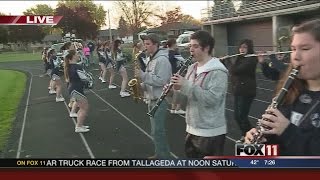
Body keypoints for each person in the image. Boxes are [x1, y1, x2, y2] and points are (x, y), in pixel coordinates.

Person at [244, 19, 320, 155]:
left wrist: (287, 131)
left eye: (305, 48)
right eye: (293, 49)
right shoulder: (290, 89)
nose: (295, 56)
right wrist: (257, 146)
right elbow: (276, 151)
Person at [170, 30, 228, 158]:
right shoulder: (192, 68)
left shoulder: (218, 71)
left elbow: (212, 99)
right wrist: (175, 89)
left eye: (195, 46)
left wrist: (185, 85)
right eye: (190, 46)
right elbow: (188, 96)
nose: (191, 50)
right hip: (191, 128)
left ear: (206, 48)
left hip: (210, 133)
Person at [138, 33, 172, 158]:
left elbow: (162, 81)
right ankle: (159, 154)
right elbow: (150, 79)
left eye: (148, 44)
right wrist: (141, 86)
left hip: (160, 99)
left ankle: (165, 158)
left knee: (159, 131)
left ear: (156, 45)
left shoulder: (162, 60)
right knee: (154, 132)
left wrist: (143, 76)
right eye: (144, 44)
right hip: (151, 99)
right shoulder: (152, 59)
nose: (145, 46)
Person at [229, 39, 258, 140]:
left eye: (245, 47)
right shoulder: (240, 58)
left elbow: (235, 70)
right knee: (237, 116)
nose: (242, 49)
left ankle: (252, 135)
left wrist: (228, 61)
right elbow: (232, 72)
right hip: (238, 90)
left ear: (249, 48)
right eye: (240, 47)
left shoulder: (252, 59)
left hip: (247, 91)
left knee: (242, 116)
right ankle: (245, 133)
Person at [64, 49, 91, 133]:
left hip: (74, 89)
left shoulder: (69, 66)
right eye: (76, 54)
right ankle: (78, 126)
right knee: (84, 108)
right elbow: (84, 78)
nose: (78, 55)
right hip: (76, 89)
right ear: (72, 56)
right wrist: (89, 79)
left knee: (83, 107)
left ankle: (80, 124)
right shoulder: (76, 66)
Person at [167, 38, 185, 114]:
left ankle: (173, 108)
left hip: (169, 73)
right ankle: (176, 109)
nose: (177, 45)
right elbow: (184, 61)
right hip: (176, 73)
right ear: (174, 44)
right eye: (176, 44)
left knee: (175, 90)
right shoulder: (175, 53)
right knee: (178, 91)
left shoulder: (166, 53)